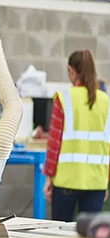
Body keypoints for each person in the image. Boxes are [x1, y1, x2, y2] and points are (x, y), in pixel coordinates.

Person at [42, 50, 110, 222]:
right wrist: (105, 180)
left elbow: (54, 143)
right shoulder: (105, 101)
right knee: (90, 237)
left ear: (70, 70)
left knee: (60, 235)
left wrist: (49, 176)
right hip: (96, 182)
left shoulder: (64, 98)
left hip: (66, 182)